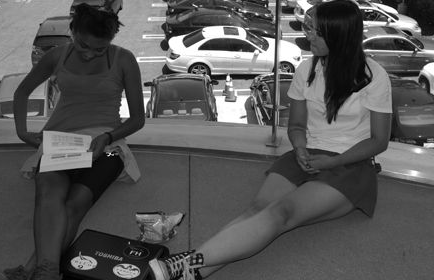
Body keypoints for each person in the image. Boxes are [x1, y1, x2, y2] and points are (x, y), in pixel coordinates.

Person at [148, 1, 392, 279]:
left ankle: (181, 265)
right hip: (308, 154)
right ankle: (194, 271)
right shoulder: (307, 70)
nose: (308, 36)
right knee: (257, 210)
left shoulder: (374, 77)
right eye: (307, 28)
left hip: (351, 165)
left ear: (340, 35)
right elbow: (297, 125)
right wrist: (299, 148)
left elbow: (378, 141)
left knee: (282, 213)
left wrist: (332, 161)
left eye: (316, 32)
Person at [0, 3, 145, 280]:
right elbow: (21, 93)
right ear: (72, 32)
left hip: (106, 147)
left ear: (111, 42)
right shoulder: (56, 56)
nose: (89, 53)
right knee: (47, 195)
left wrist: (107, 137)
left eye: (99, 49)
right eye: (83, 45)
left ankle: (34, 272)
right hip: (61, 142)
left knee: (75, 204)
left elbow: (137, 119)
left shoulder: (124, 59)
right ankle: (46, 273)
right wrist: (22, 132)